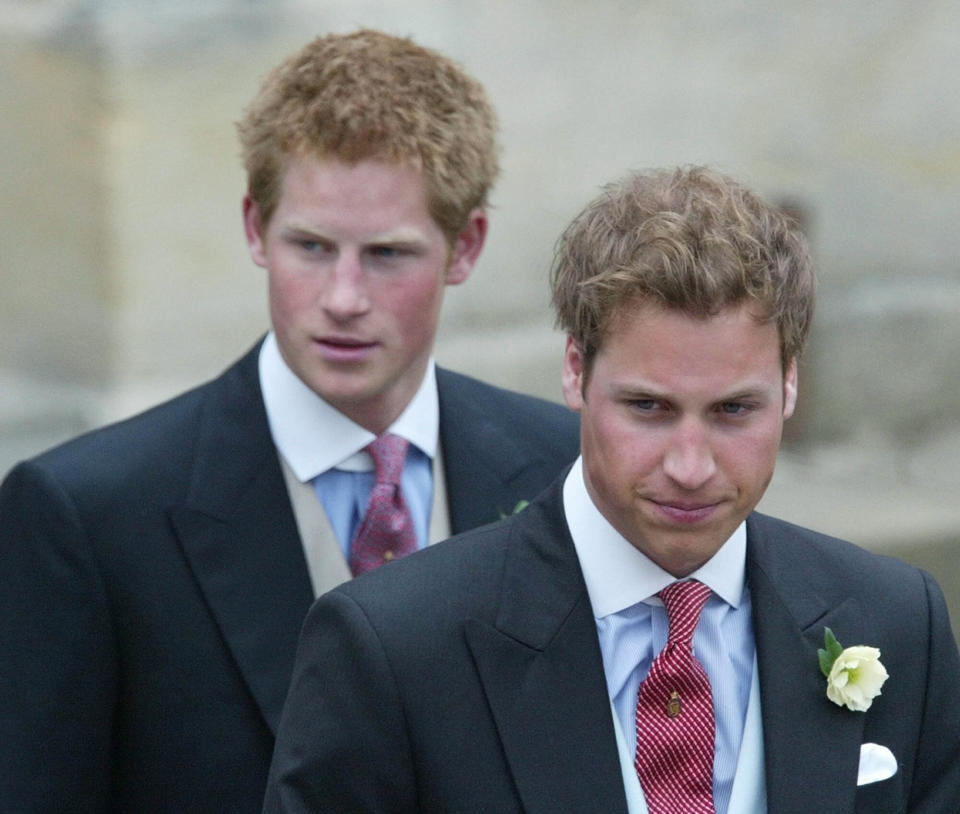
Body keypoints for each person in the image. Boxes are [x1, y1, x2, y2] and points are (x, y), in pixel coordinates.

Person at [0, 30, 579, 813]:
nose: (342, 296)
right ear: (253, 228)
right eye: (310, 246)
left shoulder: (564, 467)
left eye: (386, 254)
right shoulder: (85, 515)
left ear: (465, 246)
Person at [263, 166, 960, 813]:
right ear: (575, 370)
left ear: (790, 385)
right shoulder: (393, 646)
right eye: (649, 408)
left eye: (733, 411)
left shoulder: (898, 619)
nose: (691, 465)